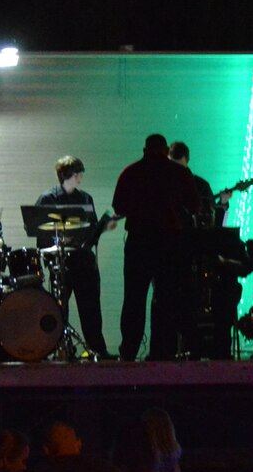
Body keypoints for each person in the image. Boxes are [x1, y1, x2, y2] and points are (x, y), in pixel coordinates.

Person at [112, 134, 198, 361]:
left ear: (144, 149)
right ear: (165, 150)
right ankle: (163, 350)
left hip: (139, 241)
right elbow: (194, 204)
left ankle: (129, 350)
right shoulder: (179, 173)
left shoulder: (131, 172)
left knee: (134, 298)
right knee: (167, 297)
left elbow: (119, 206)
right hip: (169, 242)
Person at [36, 156, 120, 359]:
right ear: (65, 175)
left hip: (83, 261)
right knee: (59, 309)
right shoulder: (48, 199)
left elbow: (91, 232)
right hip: (61, 262)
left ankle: (96, 349)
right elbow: (40, 233)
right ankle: (58, 348)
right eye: (77, 175)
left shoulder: (85, 198)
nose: (80, 179)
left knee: (91, 309)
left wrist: (104, 228)